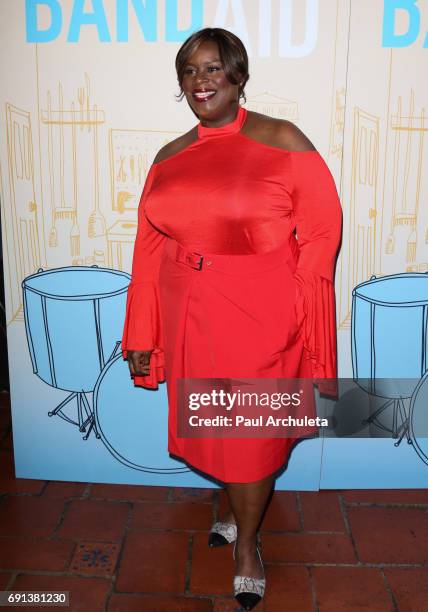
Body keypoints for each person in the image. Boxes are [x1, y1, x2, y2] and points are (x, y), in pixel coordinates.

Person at [122, 27, 342, 610]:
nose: (202, 80)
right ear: (180, 82)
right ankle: (226, 506)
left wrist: (299, 302)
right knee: (214, 417)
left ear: (238, 75)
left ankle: (248, 546)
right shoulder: (169, 155)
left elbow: (322, 229)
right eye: (191, 70)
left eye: (214, 68)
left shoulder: (282, 137)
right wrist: (144, 331)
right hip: (190, 307)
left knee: (253, 433)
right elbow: (147, 249)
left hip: (262, 309)